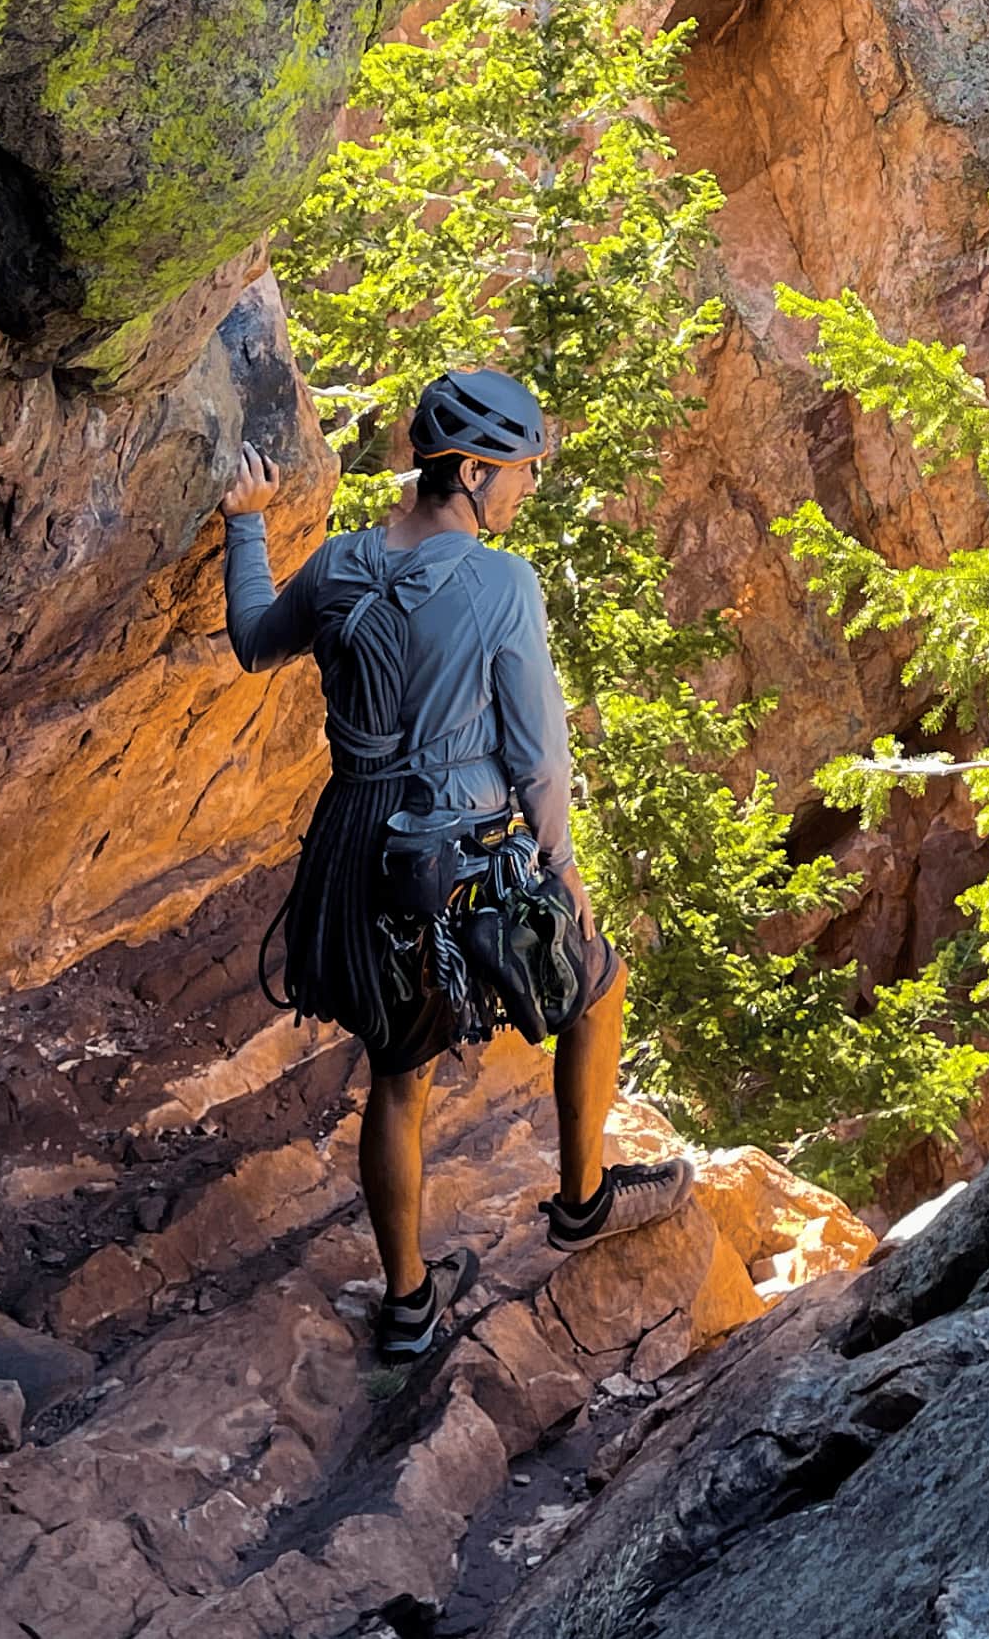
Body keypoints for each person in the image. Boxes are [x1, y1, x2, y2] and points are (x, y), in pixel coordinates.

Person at [218, 367, 691, 1359]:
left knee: (398, 1077)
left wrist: (248, 523)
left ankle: (406, 1302)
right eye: (516, 471)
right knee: (597, 988)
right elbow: (538, 754)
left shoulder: (342, 563)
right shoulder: (500, 583)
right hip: (463, 855)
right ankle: (583, 1199)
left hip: (354, 854)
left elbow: (258, 643)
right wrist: (564, 871)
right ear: (470, 470)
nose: (523, 489)